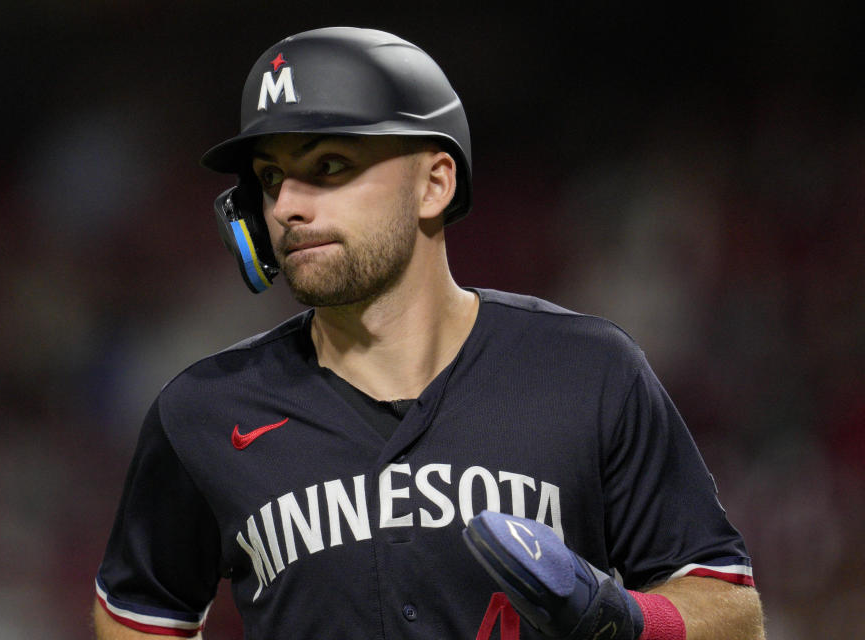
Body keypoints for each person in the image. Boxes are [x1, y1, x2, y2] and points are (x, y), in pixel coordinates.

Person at [93, 27, 764, 640]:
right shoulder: (206, 410)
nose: (287, 207)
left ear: (435, 184)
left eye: (328, 166)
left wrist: (620, 617)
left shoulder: (589, 372)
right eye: (270, 179)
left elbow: (731, 611)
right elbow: (138, 614)